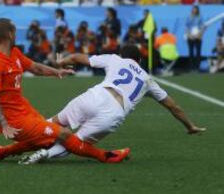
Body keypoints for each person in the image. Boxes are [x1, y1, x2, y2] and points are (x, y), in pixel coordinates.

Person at [20, 45, 205, 164]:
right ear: (139, 61)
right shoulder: (147, 80)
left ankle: (22, 140)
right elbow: (174, 106)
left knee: (53, 122)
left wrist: (62, 61)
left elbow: (78, 57)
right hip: (114, 113)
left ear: (122, 55)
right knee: (75, 143)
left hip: (96, 96)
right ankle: (43, 155)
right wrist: (190, 126)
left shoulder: (115, 59)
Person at [0, 18, 130, 163]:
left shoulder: (14, 53)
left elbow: (35, 67)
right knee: (63, 134)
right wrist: (4, 125)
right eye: (14, 31)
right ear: (9, 34)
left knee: (46, 139)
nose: (16, 35)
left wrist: (56, 71)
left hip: (24, 110)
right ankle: (105, 156)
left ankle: (2, 152)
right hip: (13, 120)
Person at [185, 5, 204, 71]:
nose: (194, 10)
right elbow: (186, 27)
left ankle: (197, 67)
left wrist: (199, 34)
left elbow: (202, 27)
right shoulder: (189, 17)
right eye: (193, 9)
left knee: (198, 52)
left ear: (197, 10)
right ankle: (191, 67)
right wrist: (189, 35)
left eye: (195, 9)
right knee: (191, 52)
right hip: (190, 37)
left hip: (198, 37)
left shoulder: (200, 17)